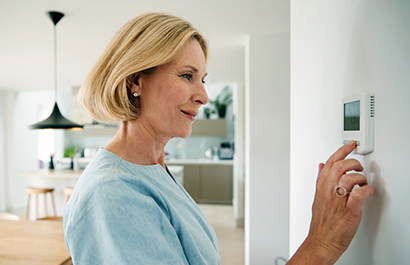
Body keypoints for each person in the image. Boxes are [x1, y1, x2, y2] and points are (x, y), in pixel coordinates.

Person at [63, 12, 375, 264]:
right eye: (187, 76)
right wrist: (321, 245)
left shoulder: (153, 168)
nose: (203, 96)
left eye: (203, 79)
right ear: (135, 81)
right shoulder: (115, 194)